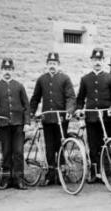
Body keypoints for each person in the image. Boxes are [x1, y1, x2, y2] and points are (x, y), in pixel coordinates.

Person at [30, 52, 76, 185]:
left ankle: (63, 173)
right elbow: (35, 98)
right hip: (47, 119)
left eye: (54, 64)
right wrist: (31, 113)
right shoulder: (41, 79)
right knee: (50, 147)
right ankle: (50, 175)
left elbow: (71, 97)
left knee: (61, 145)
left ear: (58, 65)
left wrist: (69, 111)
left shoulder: (65, 78)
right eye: (50, 63)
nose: (52, 66)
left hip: (61, 119)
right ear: (46, 64)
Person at [76, 48, 111, 183]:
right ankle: (94, 173)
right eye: (95, 60)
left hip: (106, 118)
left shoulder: (110, 78)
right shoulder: (85, 79)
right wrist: (79, 109)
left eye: (100, 60)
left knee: (106, 145)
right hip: (92, 118)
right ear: (91, 61)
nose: (97, 62)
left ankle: (106, 172)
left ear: (103, 61)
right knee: (93, 146)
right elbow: (80, 99)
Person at [0, 58, 30, 190]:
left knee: (18, 151)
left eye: (9, 69)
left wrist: (26, 122)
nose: (7, 72)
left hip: (18, 125)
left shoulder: (19, 86)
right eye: (5, 69)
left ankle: (19, 179)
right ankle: (5, 179)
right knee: (6, 152)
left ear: (13, 70)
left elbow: (26, 106)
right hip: (3, 125)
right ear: (1, 70)